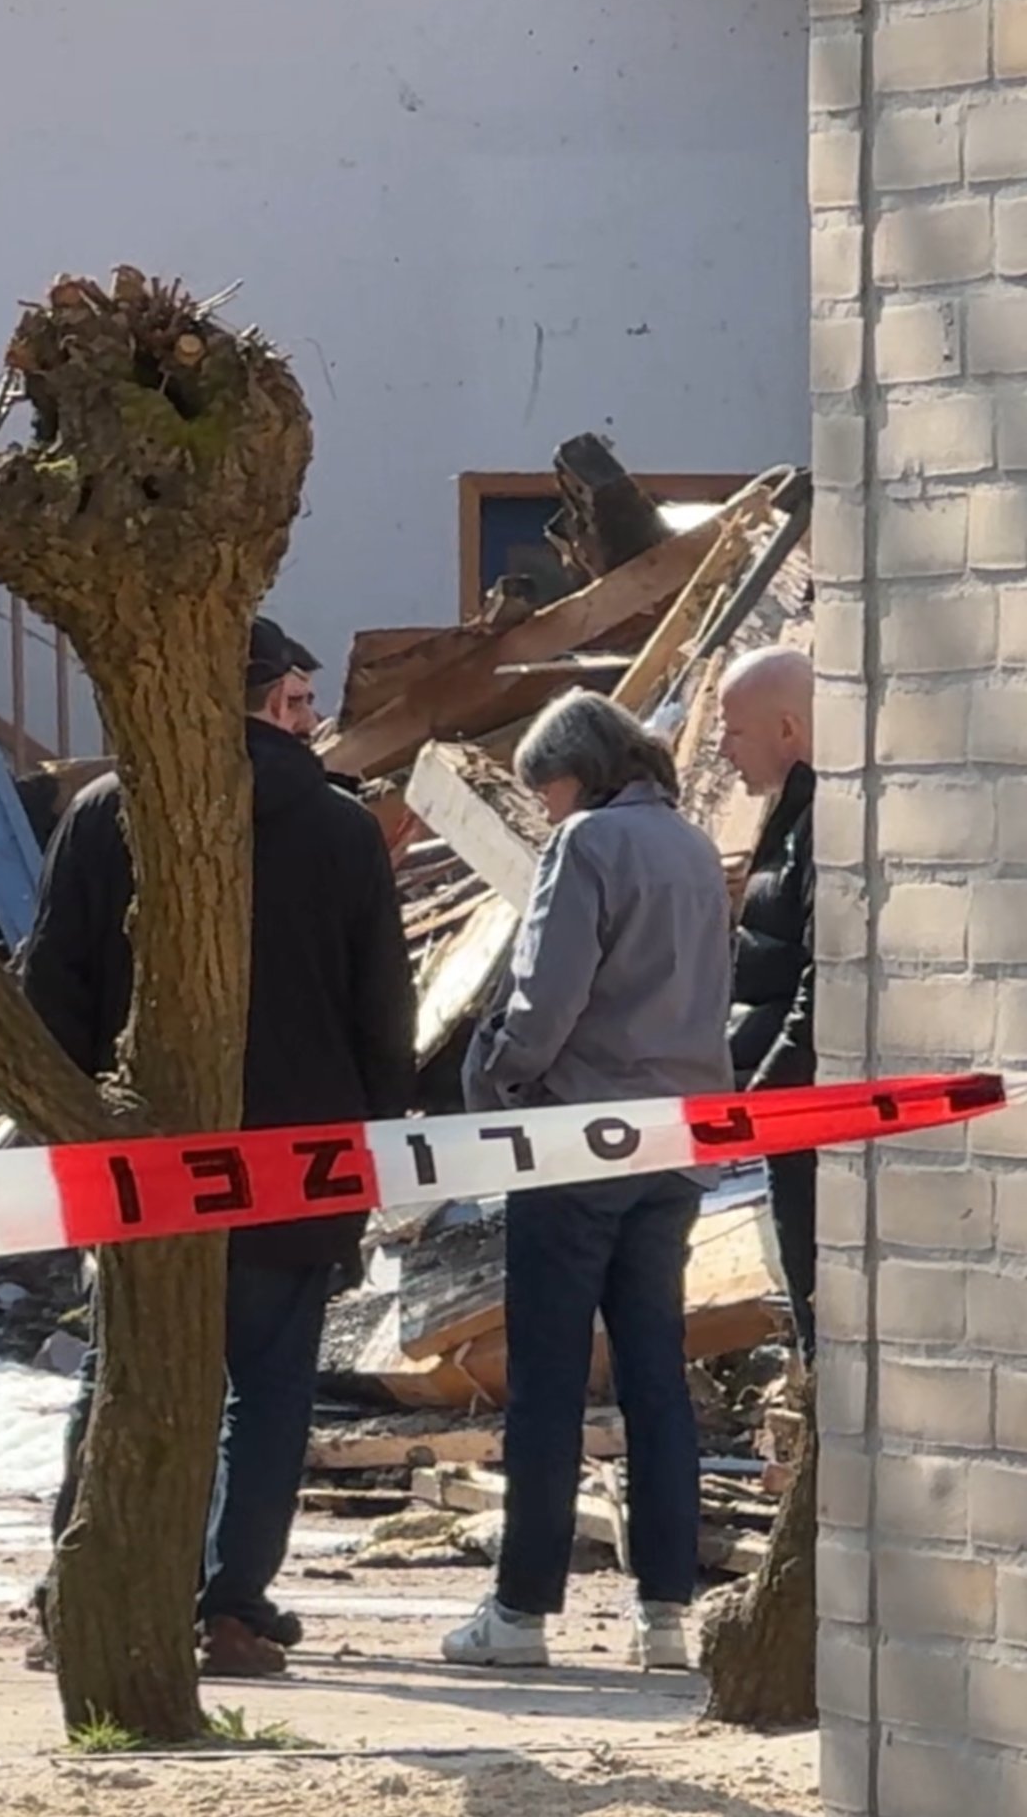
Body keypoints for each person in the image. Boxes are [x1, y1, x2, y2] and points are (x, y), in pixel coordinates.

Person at [20, 615, 415, 1681]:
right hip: (297, 1162)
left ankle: (82, 1590)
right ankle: (233, 1605)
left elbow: (50, 990)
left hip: (139, 1160)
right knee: (270, 1388)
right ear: (274, 694)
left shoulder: (106, 814)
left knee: (123, 1373)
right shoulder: (339, 829)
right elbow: (385, 1011)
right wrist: (371, 1150)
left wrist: (69, 1133)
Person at [440, 691, 730, 1674]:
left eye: (547, 792)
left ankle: (521, 1611)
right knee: (656, 1378)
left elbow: (545, 996)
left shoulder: (589, 846)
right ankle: (666, 1614)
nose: (546, 813)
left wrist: (496, 1080)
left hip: (575, 1140)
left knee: (550, 1383)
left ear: (578, 772)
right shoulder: (692, 847)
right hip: (675, 1142)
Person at [716, 646, 818, 1348]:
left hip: (811, 1115)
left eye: (735, 732)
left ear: (788, 729)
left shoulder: (823, 819)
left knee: (819, 1294)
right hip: (791, 1111)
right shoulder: (791, 810)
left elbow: (824, 974)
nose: (720, 750)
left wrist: (769, 1085)